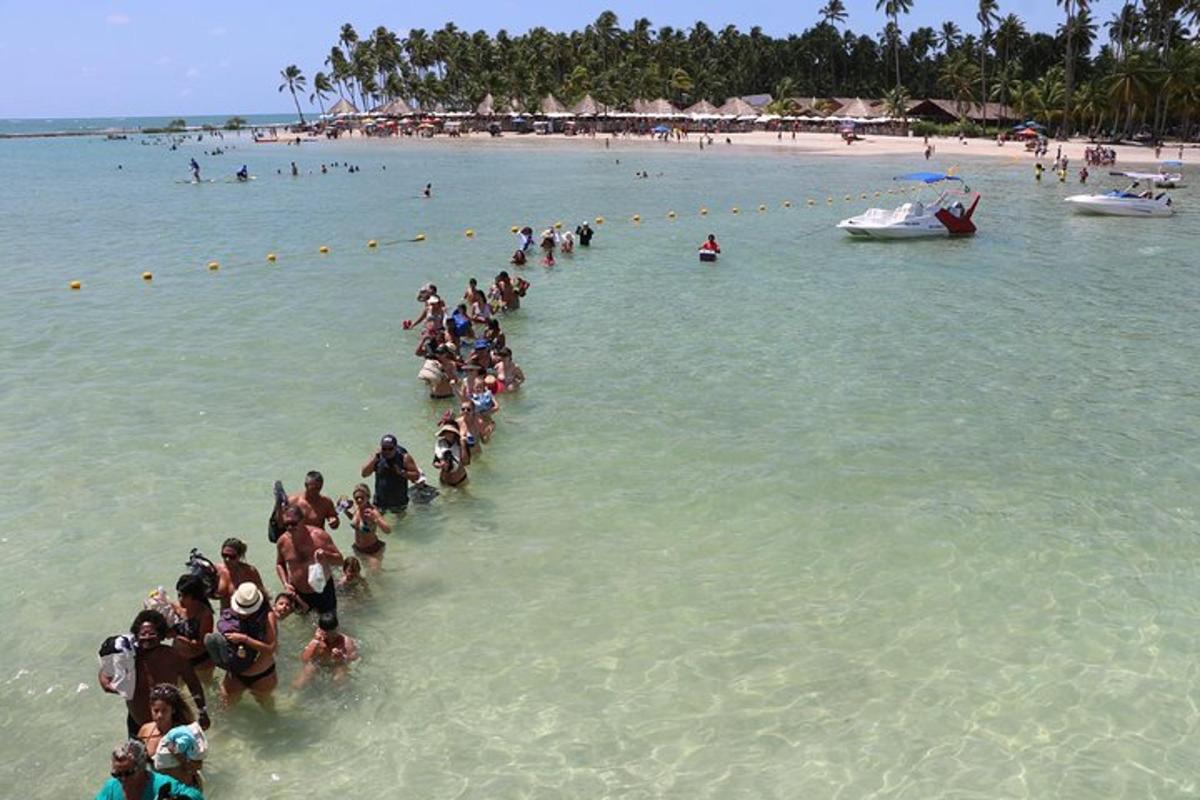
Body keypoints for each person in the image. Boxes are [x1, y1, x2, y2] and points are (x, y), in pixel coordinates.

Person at [99, 610, 209, 738]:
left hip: (170, 721)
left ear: (161, 634)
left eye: (151, 633)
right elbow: (105, 675)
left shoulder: (173, 656)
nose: (147, 638)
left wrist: (202, 711)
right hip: (139, 723)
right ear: (136, 634)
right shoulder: (129, 658)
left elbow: (193, 683)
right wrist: (118, 688)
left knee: (182, 754)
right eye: (143, 634)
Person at [213, 583, 278, 708]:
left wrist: (245, 639)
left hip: (262, 675)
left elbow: (271, 649)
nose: (242, 613)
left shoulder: (268, 616)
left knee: (268, 710)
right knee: (224, 707)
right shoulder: (232, 613)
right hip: (237, 672)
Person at [275, 503, 343, 615]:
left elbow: (340, 561)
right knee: (304, 625)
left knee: (328, 626)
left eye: (293, 523)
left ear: (302, 520)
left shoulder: (319, 536)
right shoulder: (282, 542)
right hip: (299, 593)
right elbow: (279, 564)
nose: (290, 528)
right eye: (286, 524)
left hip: (323, 590)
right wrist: (285, 583)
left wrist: (326, 556)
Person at [136, 683, 206, 788]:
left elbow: (197, 766)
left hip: (184, 788)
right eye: (156, 711)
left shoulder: (184, 734)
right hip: (159, 788)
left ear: (173, 710)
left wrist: (178, 754)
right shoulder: (146, 730)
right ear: (150, 709)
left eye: (164, 711)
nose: (159, 715)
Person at [93, 739, 203, 800]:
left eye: (128, 773)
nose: (122, 779)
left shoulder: (161, 784)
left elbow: (196, 796)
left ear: (141, 768)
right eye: (117, 774)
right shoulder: (111, 787)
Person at [361, 434, 423, 514]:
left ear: (395, 447)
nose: (387, 451)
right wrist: (374, 459)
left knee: (401, 525)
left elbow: (416, 476)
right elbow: (364, 474)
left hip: (399, 502)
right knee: (376, 523)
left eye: (390, 449)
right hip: (380, 501)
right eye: (384, 448)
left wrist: (402, 472)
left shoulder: (404, 457)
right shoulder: (377, 457)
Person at [295, 611, 358, 688]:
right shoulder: (317, 641)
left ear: (337, 628)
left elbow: (354, 659)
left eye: (333, 633)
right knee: (300, 682)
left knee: (339, 679)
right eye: (327, 633)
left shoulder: (346, 642)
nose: (330, 636)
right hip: (319, 664)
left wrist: (341, 658)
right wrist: (315, 641)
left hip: (337, 665)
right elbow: (304, 659)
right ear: (320, 630)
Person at [170, 576, 215, 683]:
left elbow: (201, 644)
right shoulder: (176, 607)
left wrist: (176, 636)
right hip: (179, 660)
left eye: (184, 596)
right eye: (179, 595)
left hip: (200, 661)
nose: (180, 599)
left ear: (195, 597)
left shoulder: (205, 615)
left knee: (205, 691)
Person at [339, 483, 391, 566]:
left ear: (368, 497)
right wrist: (345, 511)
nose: (359, 500)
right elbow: (355, 521)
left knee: (375, 574)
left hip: (373, 550)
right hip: (358, 549)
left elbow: (388, 530)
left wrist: (376, 519)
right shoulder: (356, 508)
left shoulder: (372, 511)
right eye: (357, 498)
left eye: (362, 498)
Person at [215, 538, 266, 610]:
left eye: (232, 556)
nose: (227, 559)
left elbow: (263, 594)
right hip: (226, 617)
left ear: (239, 556)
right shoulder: (216, 570)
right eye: (224, 555)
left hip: (248, 615)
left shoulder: (250, 571)